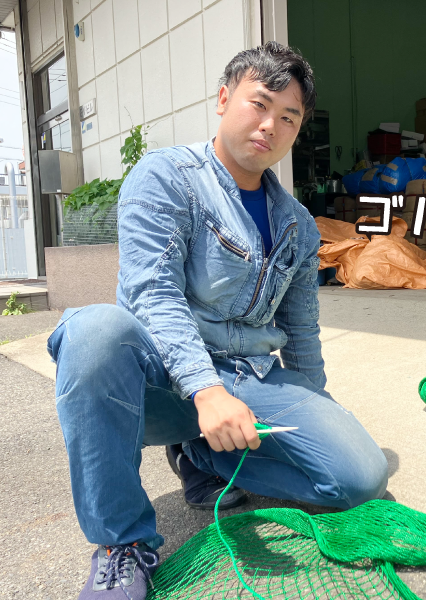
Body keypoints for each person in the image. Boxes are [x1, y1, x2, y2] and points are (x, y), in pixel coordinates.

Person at [47, 42, 389, 600]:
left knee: (360, 479)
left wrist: (319, 413)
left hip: (249, 375)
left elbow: (302, 329)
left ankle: (204, 454)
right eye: (260, 104)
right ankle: (121, 543)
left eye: (288, 117)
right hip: (162, 377)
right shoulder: (166, 177)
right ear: (224, 98)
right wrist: (205, 391)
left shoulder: (299, 225)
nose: (270, 125)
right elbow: (152, 294)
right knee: (94, 333)